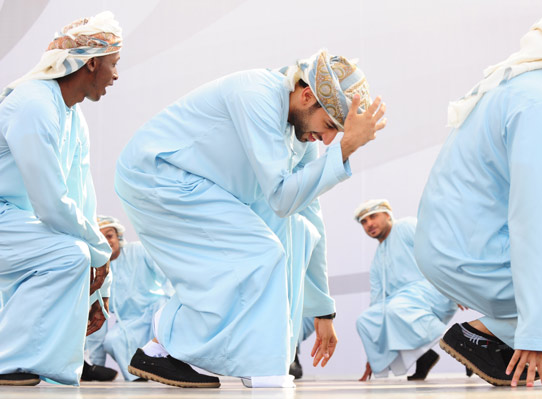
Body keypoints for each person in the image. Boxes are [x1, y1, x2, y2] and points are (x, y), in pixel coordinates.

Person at [115, 49, 386, 388]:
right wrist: (343, 151)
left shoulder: (300, 134)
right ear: (305, 96)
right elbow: (282, 196)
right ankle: (170, 338)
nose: (328, 139)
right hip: (160, 175)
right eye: (330, 125)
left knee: (297, 232)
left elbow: (308, 215)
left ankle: (223, 355)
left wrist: (323, 310)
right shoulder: (256, 94)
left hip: (205, 186)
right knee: (262, 252)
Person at [414, 3, 542, 388]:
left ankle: (504, 330)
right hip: (473, 252)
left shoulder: (517, 87)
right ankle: (491, 334)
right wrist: (532, 334)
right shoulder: (537, 104)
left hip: (458, 245)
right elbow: (530, 224)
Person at [0, 11, 121, 386]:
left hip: (14, 224)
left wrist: (99, 287)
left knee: (74, 253)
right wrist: (97, 254)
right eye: (114, 65)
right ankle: (9, 362)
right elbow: (51, 204)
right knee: (69, 253)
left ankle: (39, 367)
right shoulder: (33, 104)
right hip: (8, 218)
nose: (116, 76)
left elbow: (79, 197)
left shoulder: (72, 115)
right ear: (92, 63)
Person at [353, 200, 457, 381]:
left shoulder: (406, 226)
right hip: (404, 304)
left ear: (387, 215)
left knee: (395, 308)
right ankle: (422, 356)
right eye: (363, 221)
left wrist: (458, 286)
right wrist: (373, 355)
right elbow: (377, 301)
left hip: (435, 290)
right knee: (366, 320)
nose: (369, 224)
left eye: (372, 217)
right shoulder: (377, 260)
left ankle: (462, 343)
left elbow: (438, 250)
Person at [83, 215, 174, 382]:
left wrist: (175, 308)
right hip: (129, 323)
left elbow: (167, 278)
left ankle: (173, 370)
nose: (107, 241)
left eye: (109, 235)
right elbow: (98, 317)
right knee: (112, 340)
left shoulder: (139, 250)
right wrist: (96, 365)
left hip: (156, 311)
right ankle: (138, 379)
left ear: (118, 236)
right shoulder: (97, 270)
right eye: (100, 238)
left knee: (166, 325)